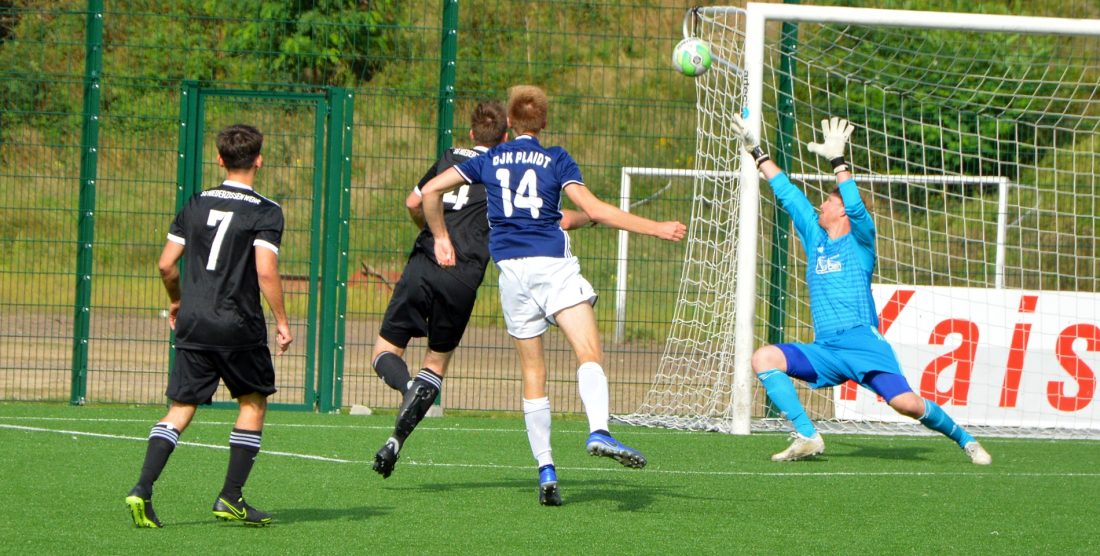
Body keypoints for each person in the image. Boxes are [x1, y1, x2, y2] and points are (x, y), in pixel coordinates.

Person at [420, 85, 687, 506]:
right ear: (543, 123)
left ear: (510, 122)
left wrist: (440, 236)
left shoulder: (490, 159)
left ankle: (546, 468)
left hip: (511, 273)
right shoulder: (556, 158)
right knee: (589, 351)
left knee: (533, 371)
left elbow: (431, 190)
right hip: (552, 266)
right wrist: (656, 228)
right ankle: (598, 429)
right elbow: (594, 209)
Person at [730, 113, 992, 465]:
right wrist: (756, 151)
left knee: (907, 404)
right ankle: (807, 435)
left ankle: (966, 440)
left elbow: (855, 205)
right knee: (764, 358)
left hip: (864, 345)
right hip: (827, 348)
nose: (821, 205)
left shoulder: (861, 242)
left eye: (828, 202)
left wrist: (838, 161)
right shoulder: (815, 236)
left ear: (842, 212)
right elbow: (788, 193)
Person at [371, 101, 590, 479]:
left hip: (424, 263)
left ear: (471, 133)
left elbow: (414, 201)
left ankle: (407, 386)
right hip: (463, 277)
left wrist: (436, 233)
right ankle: (395, 440)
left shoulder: (450, 157)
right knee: (435, 365)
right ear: (505, 135)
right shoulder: (503, 169)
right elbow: (561, 220)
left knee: (384, 352)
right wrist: (591, 218)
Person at [125, 124, 293, 528]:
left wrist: (177, 300)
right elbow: (265, 270)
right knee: (252, 402)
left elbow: (166, 264)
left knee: (181, 407)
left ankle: (142, 489)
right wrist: (283, 321)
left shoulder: (197, 203)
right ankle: (230, 496)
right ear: (259, 159)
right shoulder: (266, 210)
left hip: (194, 322)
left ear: (220, 159)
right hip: (238, 324)